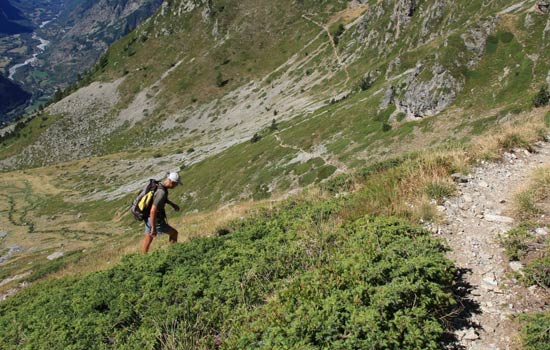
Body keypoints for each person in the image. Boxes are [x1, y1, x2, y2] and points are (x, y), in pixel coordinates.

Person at [141, 172, 181, 253]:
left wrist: (172, 204)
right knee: (174, 234)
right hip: (155, 219)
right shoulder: (161, 192)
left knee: (148, 238)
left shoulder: (159, 185)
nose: (176, 186)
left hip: (147, 217)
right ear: (172, 182)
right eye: (176, 184)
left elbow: (159, 200)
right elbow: (153, 210)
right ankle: (173, 254)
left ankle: (142, 259)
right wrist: (154, 227)